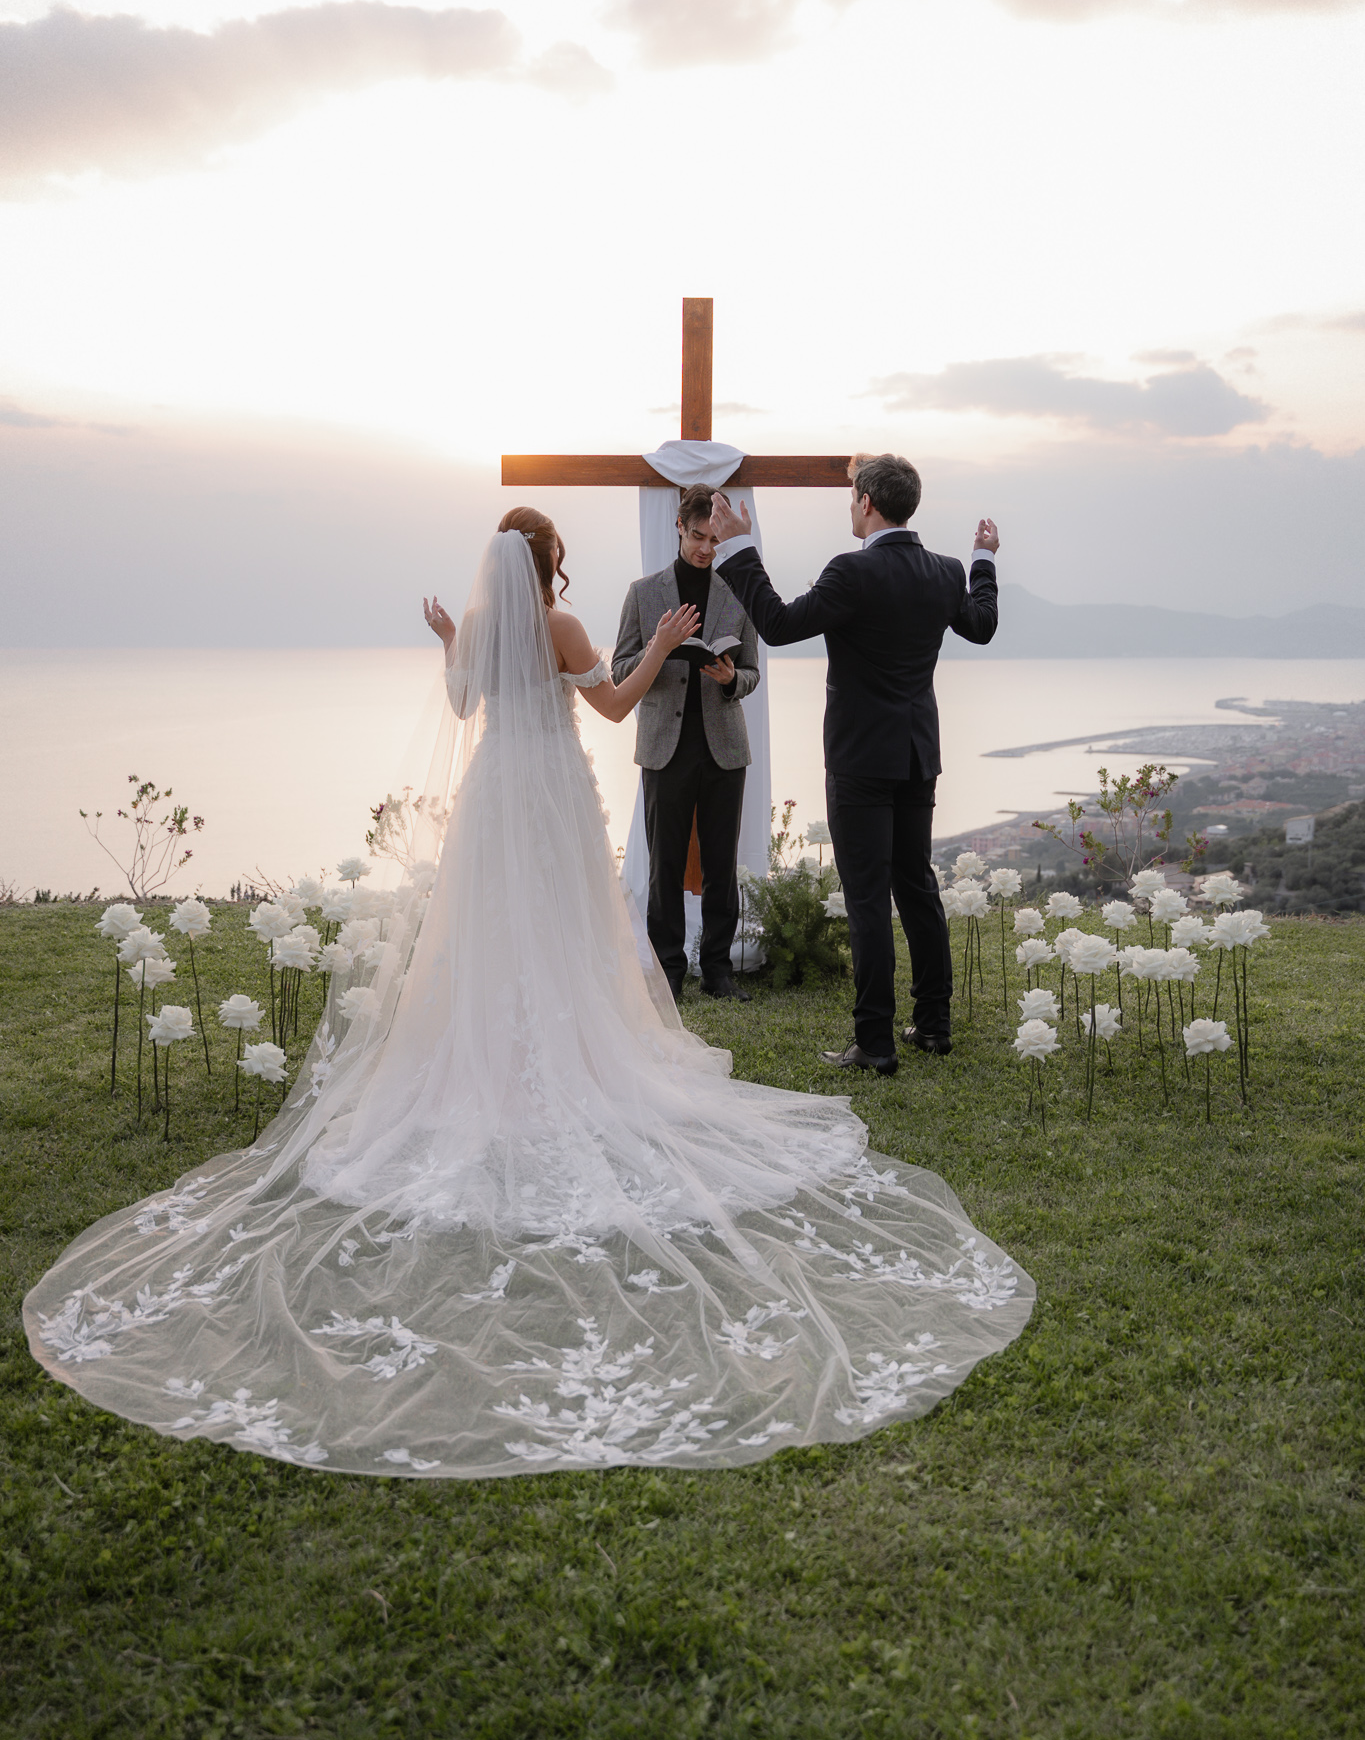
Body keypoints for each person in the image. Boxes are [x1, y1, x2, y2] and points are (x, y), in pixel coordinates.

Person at [23, 506, 1030, 1480]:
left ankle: (485, 1068)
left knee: (490, 935)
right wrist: (667, 639)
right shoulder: (557, 620)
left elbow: (464, 703)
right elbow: (616, 704)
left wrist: (446, 639)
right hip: (547, 795)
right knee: (559, 931)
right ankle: (562, 1062)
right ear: (548, 559)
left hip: (494, 799)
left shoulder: (490, 624)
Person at [712, 455, 999, 1074]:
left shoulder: (851, 571)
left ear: (868, 501)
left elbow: (780, 624)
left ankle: (875, 1042)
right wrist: (983, 559)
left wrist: (739, 546)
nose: (849, 505)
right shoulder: (946, 572)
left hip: (860, 760)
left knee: (868, 898)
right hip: (918, 753)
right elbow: (981, 626)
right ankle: (934, 1023)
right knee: (916, 887)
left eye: (851, 496)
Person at [612, 484, 760, 1003]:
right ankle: (667, 971)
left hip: (724, 744)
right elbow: (619, 671)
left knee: (722, 864)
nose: (706, 549)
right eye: (698, 537)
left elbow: (752, 673)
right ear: (680, 526)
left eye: (714, 540)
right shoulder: (643, 593)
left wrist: (729, 679)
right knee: (665, 865)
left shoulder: (738, 590)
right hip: (663, 745)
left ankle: (718, 970)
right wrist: (662, 646)